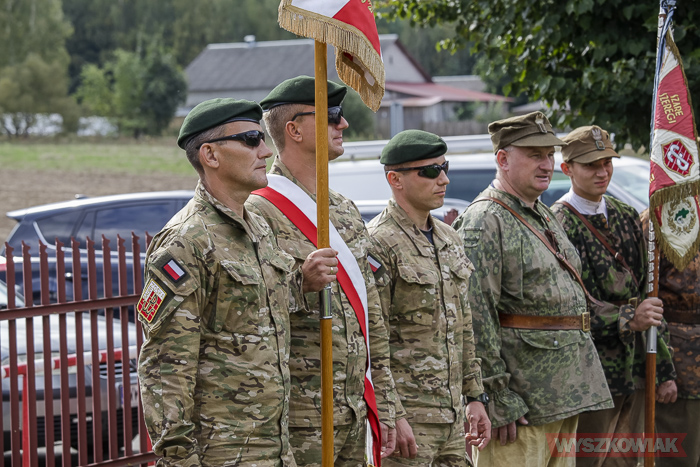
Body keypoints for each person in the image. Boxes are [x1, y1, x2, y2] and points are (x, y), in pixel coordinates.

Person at [137, 97, 337, 466]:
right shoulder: (185, 241)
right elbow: (165, 364)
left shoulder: (257, 227)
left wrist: (300, 285)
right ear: (210, 155)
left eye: (262, 138)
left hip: (276, 445)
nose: (265, 151)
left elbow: (251, 312)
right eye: (250, 140)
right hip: (223, 452)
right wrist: (179, 458)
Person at [245, 76, 401, 466]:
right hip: (300, 416)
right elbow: (246, 313)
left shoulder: (344, 209)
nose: (343, 123)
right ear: (294, 130)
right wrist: (301, 284)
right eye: (330, 115)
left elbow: (371, 315)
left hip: (354, 408)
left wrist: (386, 404)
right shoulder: (258, 211)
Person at [452, 112, 613, 467]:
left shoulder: (539, 212)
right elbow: (474, 315)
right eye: (535, 155)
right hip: (520, 403)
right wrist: (495, 394)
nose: (547, 164)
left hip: (560, 394)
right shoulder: (485, 219)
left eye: (550, 155)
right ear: (503, 159)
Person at [550, 126, 676, 467]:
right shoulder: (557, 223)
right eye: (591, 165)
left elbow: (647, 295)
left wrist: (664, 370)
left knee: (627, 460)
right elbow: (569, 305)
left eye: (607, 163)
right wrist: (628, 318)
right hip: (589, 372)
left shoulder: (625, 215)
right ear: (567, 169)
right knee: (587, 459)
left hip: (634, 365)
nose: (602, 172)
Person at [366, 130, 491, 466]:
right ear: (395, 179)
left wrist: (475, 396)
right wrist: (391, 414)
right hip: (409, 421)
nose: (444, 179)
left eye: (444, 168)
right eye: (431, 171)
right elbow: (372, 341)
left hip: (452, 417)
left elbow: (463, 325)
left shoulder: (448, 237)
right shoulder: (378, 243)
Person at [641, 210, 700, 467]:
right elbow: (643, 299)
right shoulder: (659, 219)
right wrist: (663, 372)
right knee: (678, 457)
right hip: (680, 363)